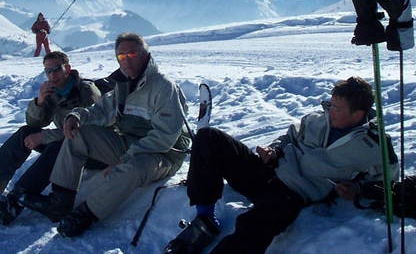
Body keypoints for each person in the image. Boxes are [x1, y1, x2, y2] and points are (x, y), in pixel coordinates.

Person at [165, 76, 398, 254]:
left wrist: (357, 189)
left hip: (293, 194)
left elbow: (387, 181)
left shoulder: (374, 145)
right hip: (268, 171)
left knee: (252, 227)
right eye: (330, 104)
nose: (330, 111)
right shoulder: (317, 118)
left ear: (358, 114)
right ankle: (204, 218)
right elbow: (289, 136)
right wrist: (274, 149)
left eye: (337, 108)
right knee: (209, 138)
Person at [21, 32, 192, 238]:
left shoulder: (163, 87)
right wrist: (76, 116)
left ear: (146, 55)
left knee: (133, 168)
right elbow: (99, 111)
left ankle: (86, 214)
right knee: (78, 134)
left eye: (132, 54)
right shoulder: (123, 85)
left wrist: (125, 159)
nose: (126, 60)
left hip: (163, 154)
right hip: (129, 143)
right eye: (121, 56)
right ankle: (60, 201)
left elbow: (164, 137)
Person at [0, 51, 105, 225]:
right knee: (27, 132)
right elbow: (35, 122)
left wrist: (46, 136)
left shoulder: (85, 91)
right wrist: (40, 102)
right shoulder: (54, 90)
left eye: (56, 69)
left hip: (92, 151)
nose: (52, 75)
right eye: (47, 71)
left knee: (56, 147)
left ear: (68, 68)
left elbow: (88, 130)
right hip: (67, 142)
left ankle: (13, 203)